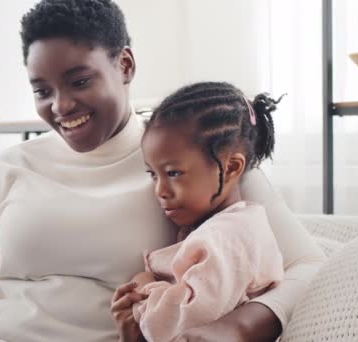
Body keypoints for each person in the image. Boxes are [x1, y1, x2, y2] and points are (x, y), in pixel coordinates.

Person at [0, 1, 326, 341]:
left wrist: (242, 325)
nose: (61, 105)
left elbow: (309, 265)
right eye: (42, 90)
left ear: (126, 65)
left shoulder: (191, 157)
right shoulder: (10, 168)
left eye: (79, 80)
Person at [112, 82, 286, 342]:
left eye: (173, 173)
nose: (160, 190)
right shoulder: (220, 227)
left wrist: (144, 284)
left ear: (231, 168)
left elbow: (173, 326)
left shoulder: (226, 239)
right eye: (153, 174)